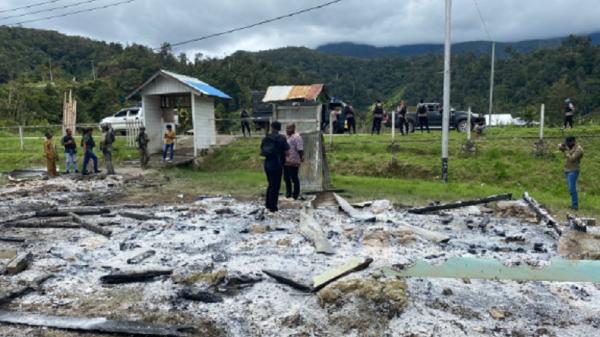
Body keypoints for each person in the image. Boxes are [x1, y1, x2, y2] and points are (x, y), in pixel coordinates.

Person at [260, 121, 289, 212]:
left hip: (267, 164)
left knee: (270, 184)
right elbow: (287, 152)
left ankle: (268, 204)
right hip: (277, 163)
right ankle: (273, 207)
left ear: (272, 127)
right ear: (280, 128)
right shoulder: (281, 138)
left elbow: (262, 150)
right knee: (276, 186)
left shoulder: (266, 138)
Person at [559, 136, 583, 210]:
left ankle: (575, 206)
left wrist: (565, 151)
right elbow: (567, 156)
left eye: (568, 143)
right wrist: (562, 149)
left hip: (573, 170)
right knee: (571, 189)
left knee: (572, 189)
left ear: (573, 142)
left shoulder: (579, 149)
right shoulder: (571, 148)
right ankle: (574, 204)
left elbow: (572, 158)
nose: (567, 144)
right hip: (568, 170)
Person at [284, 123, 304, 201]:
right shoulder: (287, 137)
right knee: (286, 178)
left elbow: (300, 148)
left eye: (289, 128)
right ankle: (288, 193)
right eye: (286, 128)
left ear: (293, 128)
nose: (287, 130)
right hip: (286, 161)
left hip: (294, 161)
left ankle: (295, 195)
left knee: (294, 178)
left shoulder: (297, 137)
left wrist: (302, 156)